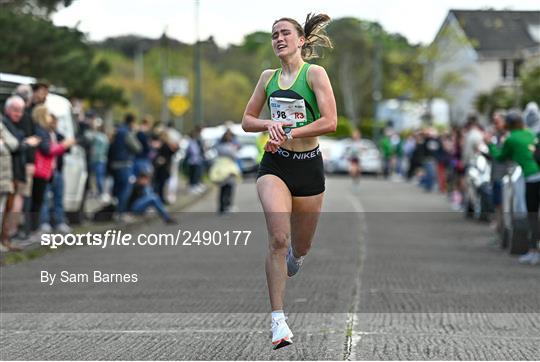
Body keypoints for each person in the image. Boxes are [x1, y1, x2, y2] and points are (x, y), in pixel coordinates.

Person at [241, 13, 336, 349]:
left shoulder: (315, 74)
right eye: (274, 35)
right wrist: (270, 125)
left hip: (308, 166)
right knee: (278, 239)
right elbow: (247, 120)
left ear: (301, 40)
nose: (279, 39)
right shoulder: (268, 77)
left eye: (285, 33)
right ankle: (278, 321)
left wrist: (291, 130)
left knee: (299, 247)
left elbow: (330, 120)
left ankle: (297, 256)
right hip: (276, 165)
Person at [485, 111, 540, 265]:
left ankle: (534, 251)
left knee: (532, 216)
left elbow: (500, 157)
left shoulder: (511, 138)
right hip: (535, 174)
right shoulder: (530, 134)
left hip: (530, 178)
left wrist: (489, 143)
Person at [1, 96, 40, 250]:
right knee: (5, 207)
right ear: (7, 109)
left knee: (8, 207)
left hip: (12, 171)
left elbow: (14, 143)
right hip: (7, 173)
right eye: (15, 110)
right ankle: (5, 239)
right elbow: (14, 145)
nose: (19, 114)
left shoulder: (11, 125)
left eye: (21, 111)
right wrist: (24, 143)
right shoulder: (4, 123)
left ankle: (6, 239)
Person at [31, 105, 75, 231]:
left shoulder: (53, 133)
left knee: (58, 197)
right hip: (45, 170)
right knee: (44, 198)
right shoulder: (41, 132)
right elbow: (48, 150)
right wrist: (64, 145)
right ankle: (44, 223)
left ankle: (58, 221)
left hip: (55, 169)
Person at [108, 113, 142, 218]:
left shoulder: (117, 130)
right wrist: (135, 133)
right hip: (124, 164)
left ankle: (115, 212)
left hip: (114, 164)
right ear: (132, 122)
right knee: (125, 189)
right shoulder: (127, 132)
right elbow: (137, 148)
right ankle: (121, 213)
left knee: (117, 189)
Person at [211, 129, 241, 213]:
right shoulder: (227, 146)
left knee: (226, 188)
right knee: (226, 188)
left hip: (225, 168)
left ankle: (224, 206)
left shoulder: (220, 146)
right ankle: (225, 206)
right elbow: (234, 155)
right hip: (226, 169)